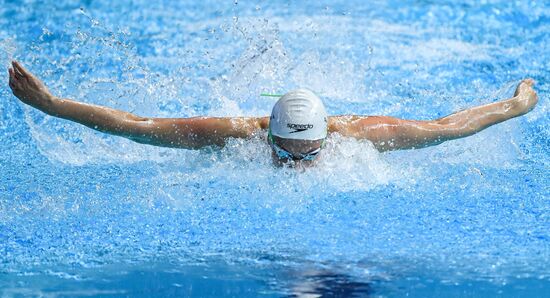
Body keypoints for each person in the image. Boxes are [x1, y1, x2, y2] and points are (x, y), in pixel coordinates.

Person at [7, 61, 538, 166]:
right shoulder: (236, 135)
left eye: (310, 154)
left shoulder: (364, 137)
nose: (298, 167)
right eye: (287, 153)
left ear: (328, 137)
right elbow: (138, 128)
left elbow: (448, 128)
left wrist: (516, 106)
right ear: (270, 138)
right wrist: (51, 106)